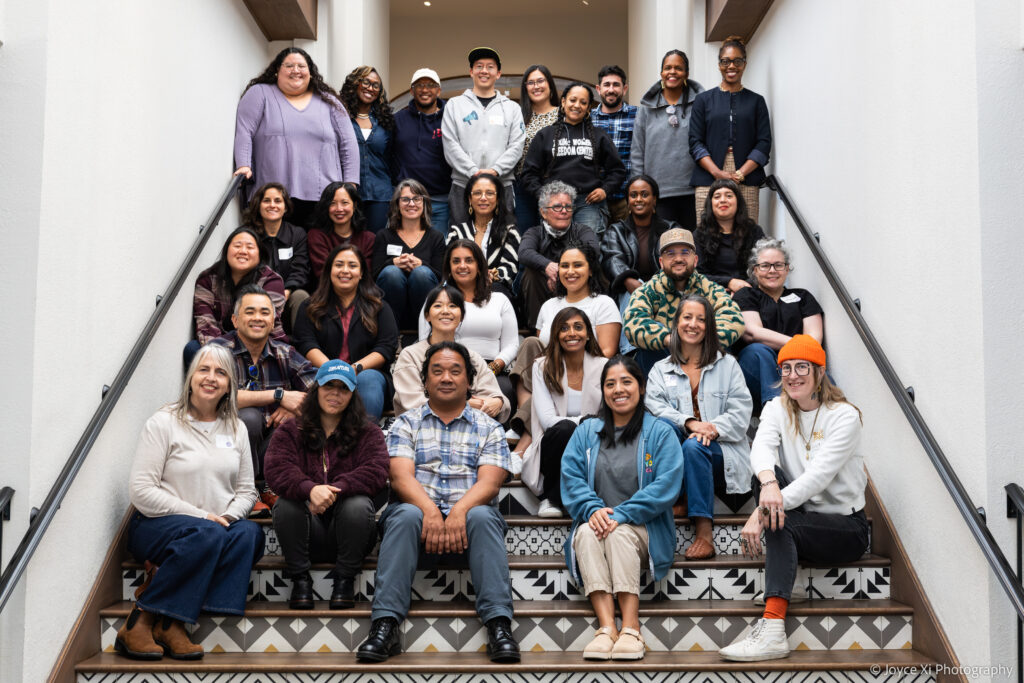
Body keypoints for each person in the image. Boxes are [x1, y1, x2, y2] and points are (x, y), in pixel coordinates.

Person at [356, 341, 520, 664]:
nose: (446, 377)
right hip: (417, 526)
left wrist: (458, 511)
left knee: (483, 517)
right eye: (438, 371)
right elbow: (401, 479)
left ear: (469, 381)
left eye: (455, 371)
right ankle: (385, 624)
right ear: (425, 381)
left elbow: (490, 482)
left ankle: (499, 624)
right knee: (404, 514)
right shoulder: (405, 423)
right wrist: (431, 511)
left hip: (469, 526)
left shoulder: (489, 427)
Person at [719, 335, 868, 661]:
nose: (793, 375)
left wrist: (760, 513)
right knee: (766, 484)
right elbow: (760, 449)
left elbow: (818, 477)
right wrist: (768, 486)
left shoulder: (844, 416)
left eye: (802, 367)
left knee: (776, 516)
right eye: (786, 368)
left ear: (819, 372)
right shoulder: (776, 408)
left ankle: (772, 630)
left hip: (844, 528)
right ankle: (791, 580)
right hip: (796, 515)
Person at [118, 344, 263, 660]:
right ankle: (139, 621)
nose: (211, 378)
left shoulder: (236, 428)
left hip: (212, 529)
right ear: (191, 377)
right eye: (204, 369)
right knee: (208, 534)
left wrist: (226, 517)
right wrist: (202, 517)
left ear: (229, 385)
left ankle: (171, 623)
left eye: (221, 372)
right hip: (157, 526)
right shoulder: (164, 422)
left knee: (251, 535)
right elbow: (141, 491)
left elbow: (248, 491)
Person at [560, 356, 683, 661]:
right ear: (602, 391)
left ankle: (630, 627)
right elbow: (571, 478)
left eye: (626, 382)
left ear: (641, 387)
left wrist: (621, 514)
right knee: (587, 534)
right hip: (598, 522)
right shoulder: (587, 432)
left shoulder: (660, 432)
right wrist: (592, 509)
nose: (618, 390)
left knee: (618, 534)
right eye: (610, 384)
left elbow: (666, 486)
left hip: (645, 530)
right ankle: (606, 628)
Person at [263, 360, 389, 610]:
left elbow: (376, 471)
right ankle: (300, 581)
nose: (335, 393)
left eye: (343, 388)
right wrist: (310, 489)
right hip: (306, 532)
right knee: (286, 505)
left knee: (358, 504)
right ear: (316, 389)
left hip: (352, 534)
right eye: (328, 386)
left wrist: (333, 490)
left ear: (353, 394)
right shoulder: (291, 429)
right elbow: (276, 469)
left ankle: (343, 582)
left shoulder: (369, 432)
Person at [645, 295, 753, 559]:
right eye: (687, 317)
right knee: (663, 428)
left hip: (720, 454)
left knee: (694, 446)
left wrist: (712, 429)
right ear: (676, 322)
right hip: (676, 451)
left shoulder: (727, 365)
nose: (693, 324)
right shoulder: (660, 370)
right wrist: (690, 423)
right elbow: (653, 407)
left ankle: (704, 534)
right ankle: (676, 497)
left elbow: (741, 414)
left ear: (710, 326)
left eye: (701, 319)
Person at [234, 47, 359, 228]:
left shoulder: (329, 101)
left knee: (318, 252)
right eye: (289, 65)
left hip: (323, 197)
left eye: (302, 66)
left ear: (310, 71)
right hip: (274, 198)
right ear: (277, 69)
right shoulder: (260, 93)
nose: (296, 70)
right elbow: (244, 131)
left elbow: (349, 144)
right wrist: (243, 165)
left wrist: (350, 184)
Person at [210, 285, 316, 480]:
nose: (258, 317)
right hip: (222, 445)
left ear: (273, 321)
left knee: (295, 422)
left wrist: (295, 407)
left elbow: (321, 390)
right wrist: (280, 395)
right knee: (249, 418)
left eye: (264, 312)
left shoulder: (284, 352)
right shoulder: (217, 351)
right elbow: (215, 397)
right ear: (235, 320)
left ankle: (270, 486)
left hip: (269, 444)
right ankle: (245, 486)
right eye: (250, 312)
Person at [292, 244, 398, 422]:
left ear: (362, 273)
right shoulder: (310, 306)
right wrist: (333, 371)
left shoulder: (379, 307)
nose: (345, 270)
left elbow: (386, 347)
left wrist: (353, 370)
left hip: (365, 373)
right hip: (321, 370)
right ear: (329, 270)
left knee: (369, 379)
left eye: (353, 265)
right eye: (339, 264)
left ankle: (361, 442)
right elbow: (305, 343)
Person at [521, 308, 608, 518]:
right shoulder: (542, 366)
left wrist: (589, 425)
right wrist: (585, 421)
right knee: (564, 429)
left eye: (578, 327)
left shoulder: (603, 366)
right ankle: (551, 498)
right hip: (554, 440)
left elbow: (607, 416)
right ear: (556, 335)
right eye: (564, 328)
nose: (571, 333)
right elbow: (548, 420)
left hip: (594, 440)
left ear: (588, 334)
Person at [623, 228, 744, 374]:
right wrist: (671, 339)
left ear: (695, 260)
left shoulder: (710, 288)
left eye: (685, 253)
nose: (678, 259)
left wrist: (697, 339)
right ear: (661, 262)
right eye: (671, 254)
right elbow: (632, 323)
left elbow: (734, 319)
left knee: (723, 351)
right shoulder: (648, 290)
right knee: (647, 351)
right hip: (665, 360)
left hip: (705, 359)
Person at [418, 241, 520, 406]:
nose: (462, 266)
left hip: (492, 370)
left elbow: (512, 344)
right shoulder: (437, 301)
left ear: (479, 266)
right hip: (448, 369)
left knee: (505, 391)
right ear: (449, 267)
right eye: (456, 261)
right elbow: (424, 340)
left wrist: (492, 369)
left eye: (469, 260)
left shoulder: (499, 300)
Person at [520, 82, 626, 236]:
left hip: (588, 203)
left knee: (586, 251)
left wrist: (605, 190)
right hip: (554, 204)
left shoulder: (599, 135)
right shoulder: (545, 135)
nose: (577, 105)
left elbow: (617, 170)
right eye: (572, 100)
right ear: (563, 102)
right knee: (555, 252)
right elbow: (528, 174)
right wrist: (544, 196)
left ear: (589, 107)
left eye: (583, 102)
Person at [396, 285, 509, 422]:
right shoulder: (410, 355)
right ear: (427, 316)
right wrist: (464, 405)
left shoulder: (472, 357)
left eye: (452, 306)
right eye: (438, 306)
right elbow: (413, 403)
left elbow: (494, 395)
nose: (445, 311)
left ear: (461, 316)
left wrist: (498, 402)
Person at [733, 238, 824, 409]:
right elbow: (753, 333)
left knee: (823, 377)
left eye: (778, 265)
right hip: (755, 368)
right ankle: (778, 411)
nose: (772, 271)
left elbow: (814, 340)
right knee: (759, 351)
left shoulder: (802, 297)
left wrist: (797, 353)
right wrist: (798, 344)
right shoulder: (746, 295)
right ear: (755, 270)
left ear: (787, 268)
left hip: (797, 363)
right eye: (765, 265)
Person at [690, 36, 772, 223]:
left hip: (747, 175)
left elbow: (764, 142)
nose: (731, 66)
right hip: (708, 176)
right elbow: (695, 141)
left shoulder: (756, 101)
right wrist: (716, 172)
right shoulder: (703, 100)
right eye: (725, 61)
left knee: (747, 233)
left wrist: (741, 173)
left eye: (737, 61)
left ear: (745, 63)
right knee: (706, 233)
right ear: (719, 64)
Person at [441, 47, 525, 227]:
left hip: (502, 185)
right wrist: (474, 172)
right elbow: (450, 144)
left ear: (499, 73)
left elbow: (517, 145)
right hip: (463, 185)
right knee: (462, 243)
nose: (484, 71)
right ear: (471, 72)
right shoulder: (454, 105)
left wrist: (495, 170)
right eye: (479, 66)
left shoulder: (512, 108)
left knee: (502, 238)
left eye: (490, 67)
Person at [601, 174, 681, 353]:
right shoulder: (616, 231)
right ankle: (632, 351)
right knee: (634, 293)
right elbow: (612, 260)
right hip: (629, 290)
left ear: (654, 199)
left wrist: (653, 289)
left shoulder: (671, 229)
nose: (638, 199)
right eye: (633, 195)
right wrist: (636, 285)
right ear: (628, 201)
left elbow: (677, 262)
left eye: (644, 194)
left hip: (665, 290)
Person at [630, 49, 704, 231]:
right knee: (662, 246)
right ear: (661, 73)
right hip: (658, 193)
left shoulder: (701, 104)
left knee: (692, 244)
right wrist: (640, 189)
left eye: (678, 68)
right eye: (667, 68)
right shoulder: (645, 109)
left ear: (686, 73)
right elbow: (637, 151)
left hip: (692, 190)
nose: (672, 72)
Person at [517, 180, 601, 329]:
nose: (564, 211)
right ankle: (537, 330)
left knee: (592, 270)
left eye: (568, 207)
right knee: (531, 274)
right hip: (544, 289)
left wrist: (562, 271)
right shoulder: (534, 232)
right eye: (557, 207)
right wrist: (547, 266)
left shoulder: (582, 230)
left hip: (577, 286)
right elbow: (524, 252)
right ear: (543, 212)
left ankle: (589, 325)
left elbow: (593, 251)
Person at [190, 227, 285, 351]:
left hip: (263, 347)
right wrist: (221, 354)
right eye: (237, 246)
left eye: (250, 247)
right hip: (219, 347)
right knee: (192, 349)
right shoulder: (208, 279)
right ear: (226, 250)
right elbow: (206, 323)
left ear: (260, 254)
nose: (243, 251)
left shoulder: (272, 281)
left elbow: (263, 325)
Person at [371, 180, 445, 330]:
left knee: (421, 273)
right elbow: (373, 275)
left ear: (424, 203)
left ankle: (425, 333)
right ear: (397, 204)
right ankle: (392, 335)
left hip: (425, 308)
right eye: (405, 199)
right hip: (391, 311)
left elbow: (441, 277)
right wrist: (393, 263)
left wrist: (421, 265)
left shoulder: (436, 237)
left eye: (417, 199)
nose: (411, 204)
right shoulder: (383, 236)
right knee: (391, 273)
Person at [243, 183, 311, 332]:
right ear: (259, 205)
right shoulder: (248, 235)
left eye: (278, 201)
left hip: (288, 296)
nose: (272, 205)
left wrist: (285, 292)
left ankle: (301, 347)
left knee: (301, 296)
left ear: (285, 207)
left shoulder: (297, 234)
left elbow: (300, 270)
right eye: (267, 200)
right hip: (256, 296)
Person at [534, 242, 621, 358]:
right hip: (549, 373)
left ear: (590, 270)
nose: (570, 271)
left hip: (590, 373)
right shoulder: (548, 306)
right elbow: (541, 350)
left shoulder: (604, 304)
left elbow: (606, 352)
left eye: (577, 265)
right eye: (564, 266)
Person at [392, 68, 452, 233]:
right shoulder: (397, 120)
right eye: (419, 85)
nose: (425, 90)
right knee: (402, 250)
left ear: (438, 90)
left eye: (431, 85)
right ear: (412, 90)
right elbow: (388, 154)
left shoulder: (450, 118)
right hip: (405, 200)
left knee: (438, 253)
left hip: (440, 201)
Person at [447, 173, 522, 298]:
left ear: (498, 199)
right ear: (470, 199)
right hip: (460, 290)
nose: (483, 198)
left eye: (489, 193)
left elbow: (510, 269)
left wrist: (494, 275)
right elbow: (448, 266)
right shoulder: (457, 232)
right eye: (477, 193)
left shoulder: (510, 232)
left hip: (496, 291)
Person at [340, 66, 395, 233]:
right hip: (347, 193)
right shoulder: (341, 116)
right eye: (366, 82)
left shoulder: (385, 121)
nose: (370, 88)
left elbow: (392, 157)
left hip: (380, 194)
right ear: (355, 83)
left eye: (375, 85)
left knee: (374, 242)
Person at [694, 178, 765, 293]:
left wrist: (744, 287)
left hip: (750, 290)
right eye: (717, 197)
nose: (723, 200)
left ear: (738, 202)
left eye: (729, 196)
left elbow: (763, 266)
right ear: (710, 203)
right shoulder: (700, 234)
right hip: (713, 291)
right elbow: (698, 274)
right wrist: (729, 282)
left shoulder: (754, 231)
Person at [514, 65, 560, 230]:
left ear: (550, 84)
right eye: (531, 82)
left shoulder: (564, 115)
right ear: (525, 88)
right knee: (526, 235)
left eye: (540, 81)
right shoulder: (518, 116)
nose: (536, 86)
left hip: (555, 187)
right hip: (524, 187)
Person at [591, 65, 638, 224]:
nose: (611, 89)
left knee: (627, 245)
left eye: (616, 85)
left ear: (624, 89)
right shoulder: (587, 119)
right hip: (593, 198)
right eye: (607, 85)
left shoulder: (637, 115)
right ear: (598, 89)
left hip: (626, 198)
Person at [307, 181, 376, 281]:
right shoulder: (316, 236)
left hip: (361, 294)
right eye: (333, 203)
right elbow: (323, 273)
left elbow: (367, 275)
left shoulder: (369, 238)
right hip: (327, 294)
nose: (339, 209)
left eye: (345, 203)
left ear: (355, 205)